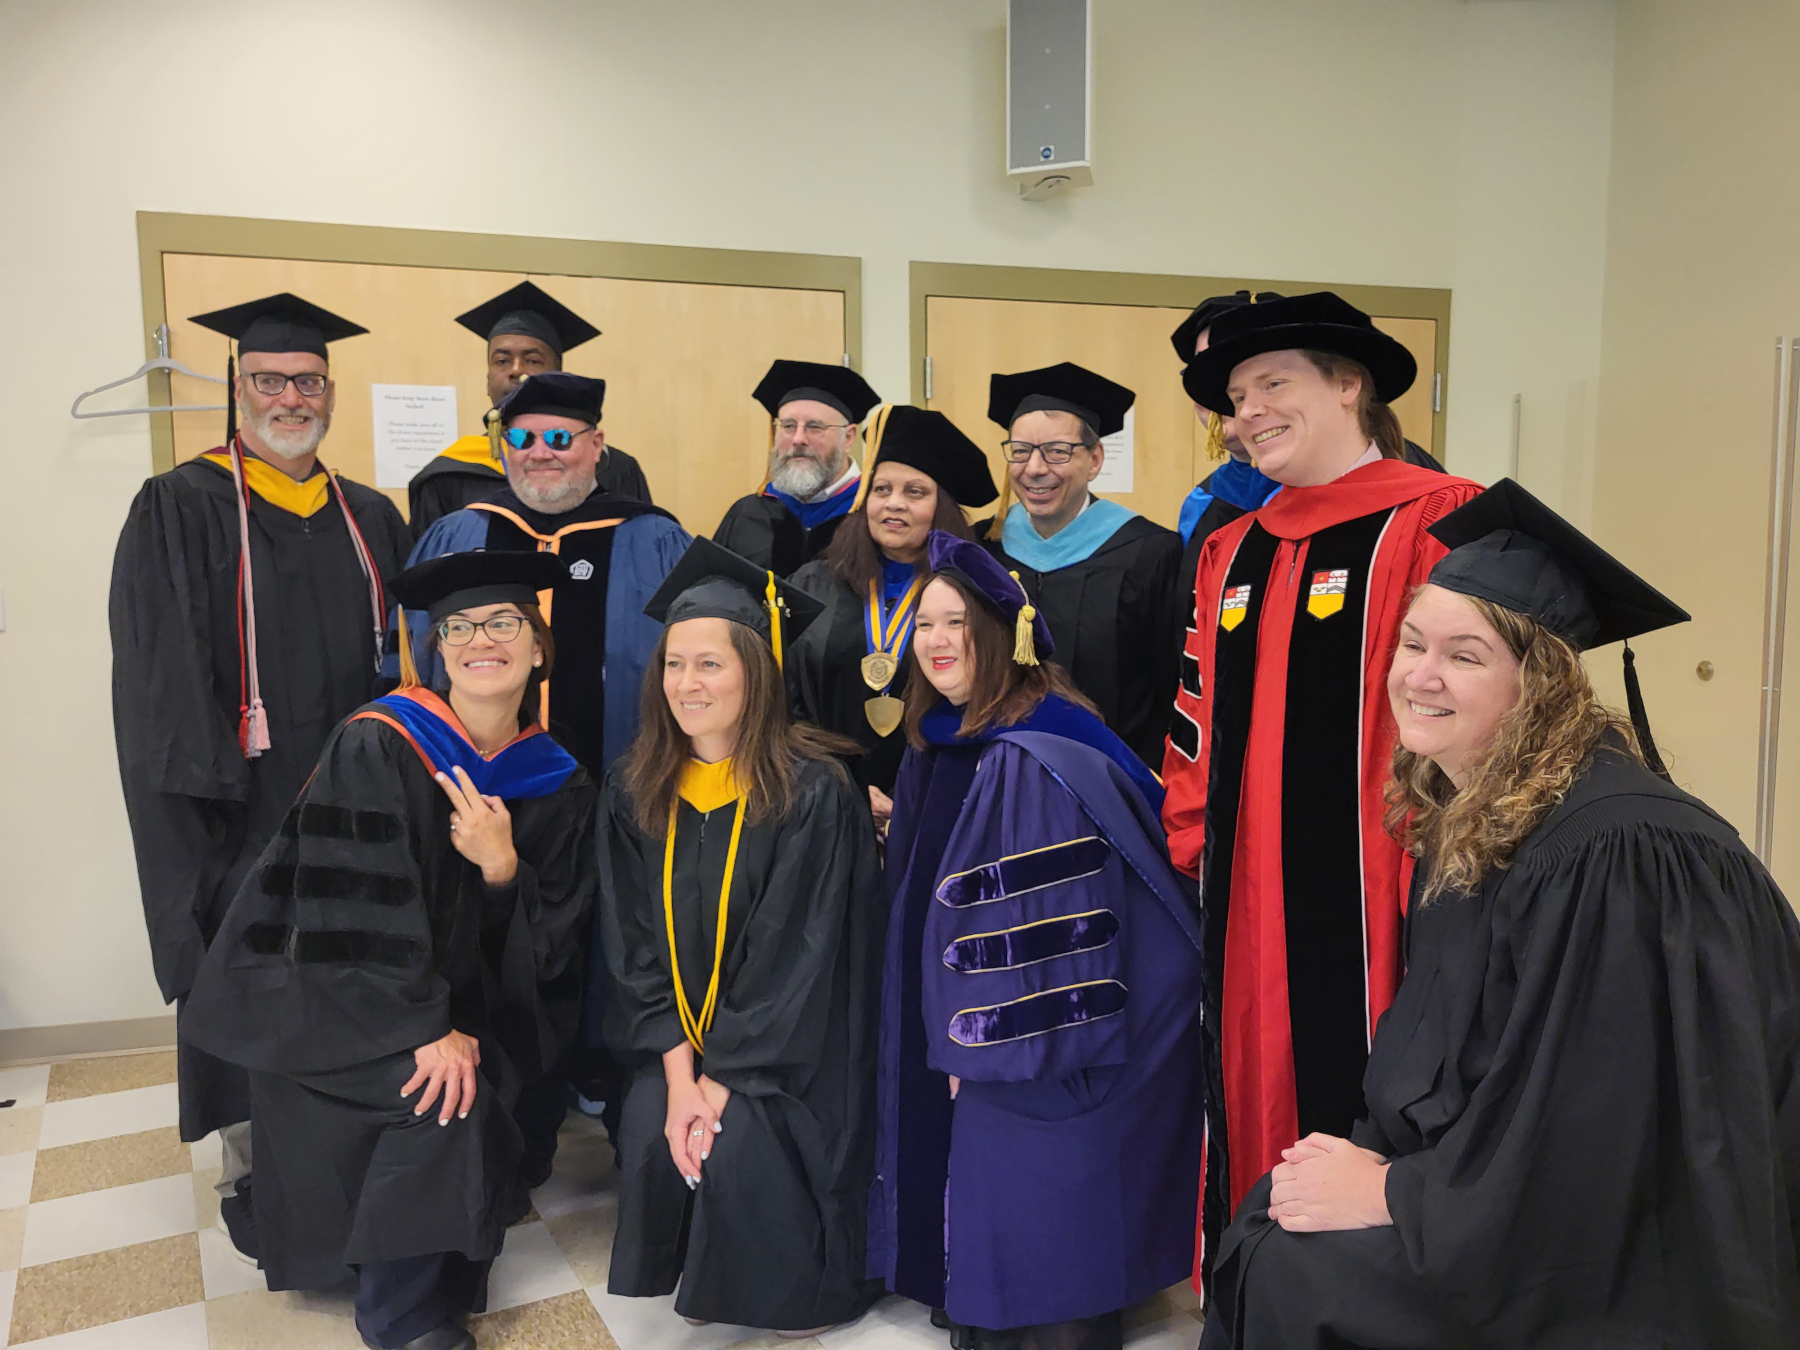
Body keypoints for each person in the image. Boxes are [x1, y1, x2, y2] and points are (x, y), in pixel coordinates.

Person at [1203, 478, 1800, 1347]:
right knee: (1272, 1220)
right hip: (1495, 1185)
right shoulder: (1484, 813)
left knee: (1301, 1274)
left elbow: (1599, 1127)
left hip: (1624, 1243)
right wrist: (1377, 1162)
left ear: (1542, 686)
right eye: (1412, 643)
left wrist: (1393, 1194)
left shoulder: (1617, 854)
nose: (1422, 675)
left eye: (1466, 655)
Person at [181, 549, 597, 1350]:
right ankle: (401, 1319)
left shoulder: (558, 776)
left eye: (505, 622)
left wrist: (502, 867)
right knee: (444, 1091)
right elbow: (344, 907)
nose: (483, 639)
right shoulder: (379, 745)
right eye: (460, 627)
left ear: (540, 646)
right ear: (437, 649)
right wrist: (421, 1025)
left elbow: (554, 940)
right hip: (330, 1000)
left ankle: (413, 1251)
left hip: (455, 1004)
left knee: (484, 1075)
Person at [1161, 291, 1482, 1288]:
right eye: (1236, 396)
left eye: (1273, 384)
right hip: (1249, 901)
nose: (1247, 411)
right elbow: (1196, 720)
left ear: (1351, 385)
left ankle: (1368, 1303)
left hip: (1392, 888)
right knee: (1251, 1090)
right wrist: (1194, 850)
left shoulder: (1438, 518)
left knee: (1381, 1086)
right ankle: (1259, 1292)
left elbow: (1483, 709)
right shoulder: (1234, 548)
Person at [110, 292, 411, 1263]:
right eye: (269, 381)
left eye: (308, 380)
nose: (291, 396)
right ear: (236, 389)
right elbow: (159, 683)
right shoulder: (180, 506)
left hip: (355, 807)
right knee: (254, 981)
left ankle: (360, 1149)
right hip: (241, 812)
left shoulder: (370, 516)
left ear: (331, 389)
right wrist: (205, 823)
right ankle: (259, 1170)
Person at [870, 531, 1204, 1350]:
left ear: (1007, 636)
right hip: (978, 1019)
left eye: (958, 623)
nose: (938, 641)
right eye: (925, 624)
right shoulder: (944, 737)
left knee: (1038, 1196)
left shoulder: (1033, 752)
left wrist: (975, 1041)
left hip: (1043, 1034)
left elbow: (1045, 929)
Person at [403, 369, 689, 1178]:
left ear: (597, 445)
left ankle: (615, 1100)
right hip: (486, 807)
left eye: (561, 437)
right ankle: (510, 1118)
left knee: (613, 946)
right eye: (523, 439)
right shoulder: (461, 534)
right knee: (500, 953)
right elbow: (418, 672)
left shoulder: (652, 537)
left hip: (620, 802)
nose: (541, 454)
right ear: (503, 449)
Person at [597, 537, 886, 1334]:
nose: (688, 684)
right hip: (685, 1042)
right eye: (674, 665)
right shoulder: (635, 788)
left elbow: (799, 958)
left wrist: (719, 1084)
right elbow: (630, 948)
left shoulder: (813, 792)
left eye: (711, 664)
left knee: (738, 1143)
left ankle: (802, 1286)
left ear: (756, 675)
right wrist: (680, 1074)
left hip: (795, 1050)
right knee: (651, 1124)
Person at [788, 404, 995, 812]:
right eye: (882, 490)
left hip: (939, 799)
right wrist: (837, 786)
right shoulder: (815, 583)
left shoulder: (974, 590)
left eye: (914, 492)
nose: (894, 504)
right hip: (825, 799)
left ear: (942, 507)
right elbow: (786, 698)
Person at [984, 362, 1183, 768]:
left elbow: (1169, 688)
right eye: (1020, 451)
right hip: (992, 775)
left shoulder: (1149, 553)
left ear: (1094, 459)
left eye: (1057, 451)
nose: (1035, 468)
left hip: (1113, 778)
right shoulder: (981, 548)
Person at [407, 281, 651, 539]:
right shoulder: (448, 476)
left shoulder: (613, 468)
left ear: (558, 375)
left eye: (532, 360)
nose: (516, 370)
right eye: (501, 361)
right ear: (487, 381)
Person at [713, 359, 881, 576]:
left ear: (848, 438)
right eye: (788, 426)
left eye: (814, 427)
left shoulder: (872, 515)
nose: (798, 439)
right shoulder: (747, 514)